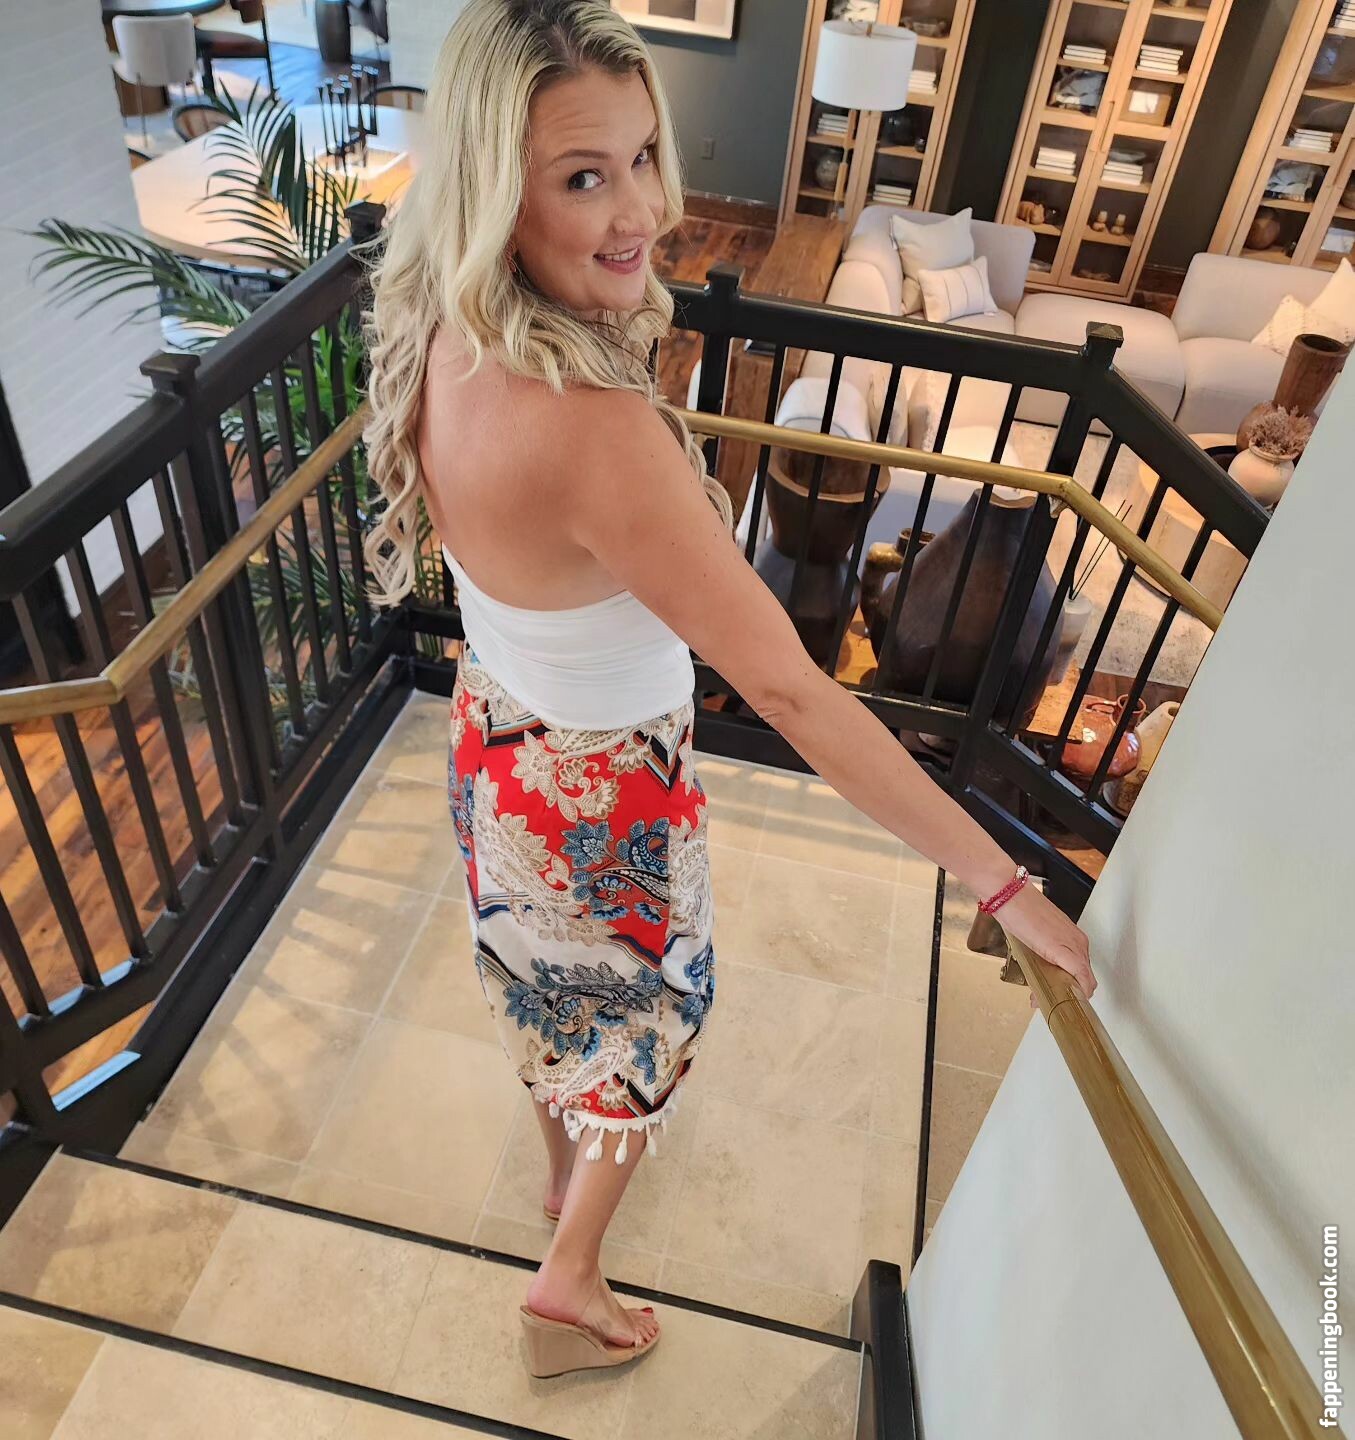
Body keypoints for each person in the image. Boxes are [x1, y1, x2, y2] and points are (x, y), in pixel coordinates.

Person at [360, 0, 1095, 1382]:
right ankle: (569, 1280)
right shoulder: (596, 435)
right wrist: (1003, 885)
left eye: (643, 154)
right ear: (494, 193)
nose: (643, 209)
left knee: (546, 994)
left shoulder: (438, 331)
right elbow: (798, 697)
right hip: (605, 788)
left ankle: (556, 1182)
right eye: (585, 176)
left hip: (497, 747)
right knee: (644, 1022)